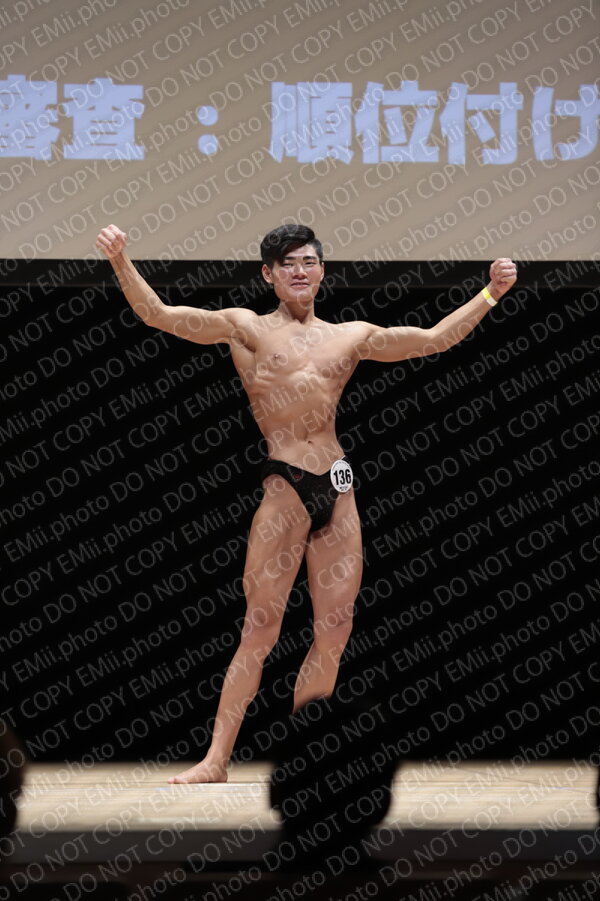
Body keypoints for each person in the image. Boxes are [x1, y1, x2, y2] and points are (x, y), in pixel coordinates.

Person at [96, 222, 517, 783]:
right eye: (288, 263)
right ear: (268, 274)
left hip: (338, 485)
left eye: (309, 262)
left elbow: (434, 338)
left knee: (335, 629)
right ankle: (216, 760)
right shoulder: (246, 327)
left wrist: (490, 292)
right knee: (260, 630)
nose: (300, 271)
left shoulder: (350, 335)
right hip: (286, 483)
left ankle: (307, 759)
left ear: (322, 271)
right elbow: (159, 315)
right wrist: (120, 259)